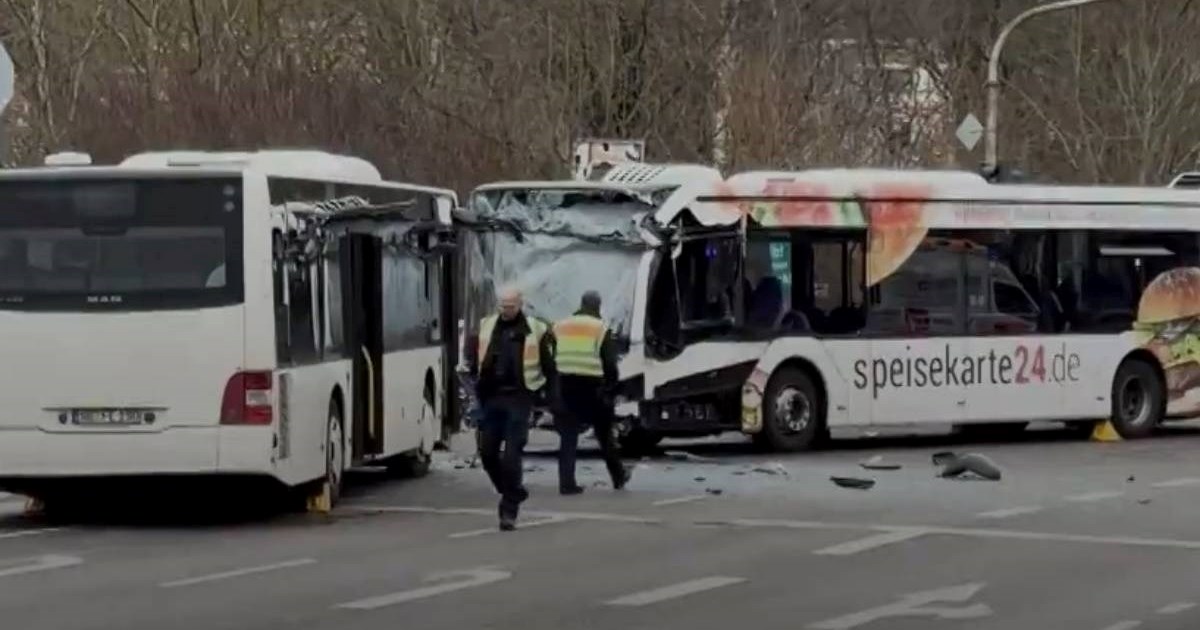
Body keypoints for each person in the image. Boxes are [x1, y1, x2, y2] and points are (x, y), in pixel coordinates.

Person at [464, 285, 557, 531]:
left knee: (512, 455)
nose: (507, 311)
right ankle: (512, 491)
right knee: (487, 453)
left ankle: (508, 511)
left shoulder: (536, 329)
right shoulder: (487, 325)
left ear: (520, 304)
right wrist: (474, 384)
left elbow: (550, 368)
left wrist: (552, 399)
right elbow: (475, 359)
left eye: (511, 307)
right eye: (503, 307)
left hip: (520, 397)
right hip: (492, 397)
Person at [552, 290, 631, 495]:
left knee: (568, 437)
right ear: (597, 306)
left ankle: (567, 483)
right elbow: (609, 362)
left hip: (565, 385)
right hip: (593, 387)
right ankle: (618, 476)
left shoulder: (561, 326)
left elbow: (550, 355)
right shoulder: (600, 328)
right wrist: (612, 387)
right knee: (604, 435)